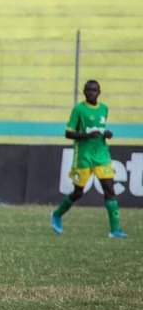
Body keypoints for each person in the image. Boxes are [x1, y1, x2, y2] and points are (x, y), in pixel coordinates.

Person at [51, 80, 127, 239]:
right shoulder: (79, 109)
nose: (91, 93)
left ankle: (115, 230)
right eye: (88, 90)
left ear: (99, 92)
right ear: (84, 92)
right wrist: (86, 136)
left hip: (101, 154)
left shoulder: (104, 109)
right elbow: (68, 133)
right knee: (78, 193)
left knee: (109, 189)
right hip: (84, 156)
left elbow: (100, 129)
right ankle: (57, 214)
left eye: (94, 90)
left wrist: (107, 134)